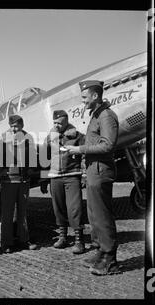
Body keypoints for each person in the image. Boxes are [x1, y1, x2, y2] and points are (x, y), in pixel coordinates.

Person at [65, 80, 120, 275]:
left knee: (102, 215)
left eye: (84, 98)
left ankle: (110, 259)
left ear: (95, 96)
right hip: (92, 171)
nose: (83, 102)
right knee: (94, 214)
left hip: (100, 170)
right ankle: (99, 251)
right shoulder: (96, 116)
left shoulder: (106, 116)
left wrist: (79, 149)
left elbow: (107, 145)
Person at [40, 110, 85, 254]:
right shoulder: (50, 138)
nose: (56, 125)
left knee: (74, 208)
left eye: (59, 122)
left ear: (66, 121)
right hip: (55, 177)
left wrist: (83, 175)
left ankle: (79, 240)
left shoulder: (78, 136)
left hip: (72, 176)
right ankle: (63, 237)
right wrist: (43, 178)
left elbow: (84, 155)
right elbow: (43, 158)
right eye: (54, 122)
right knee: (58, 208)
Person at [0, 114, 37, 253]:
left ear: (22, 126)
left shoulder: (28, 138)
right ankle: (6, 243)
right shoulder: (2, 138)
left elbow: (33, 157)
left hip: (23, 180)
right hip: (8, 181)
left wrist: (31, 172)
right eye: (12, 126)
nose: (14, 129)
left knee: (22, 213)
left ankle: (23, 240)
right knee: (7, 213)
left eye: (16, 126)